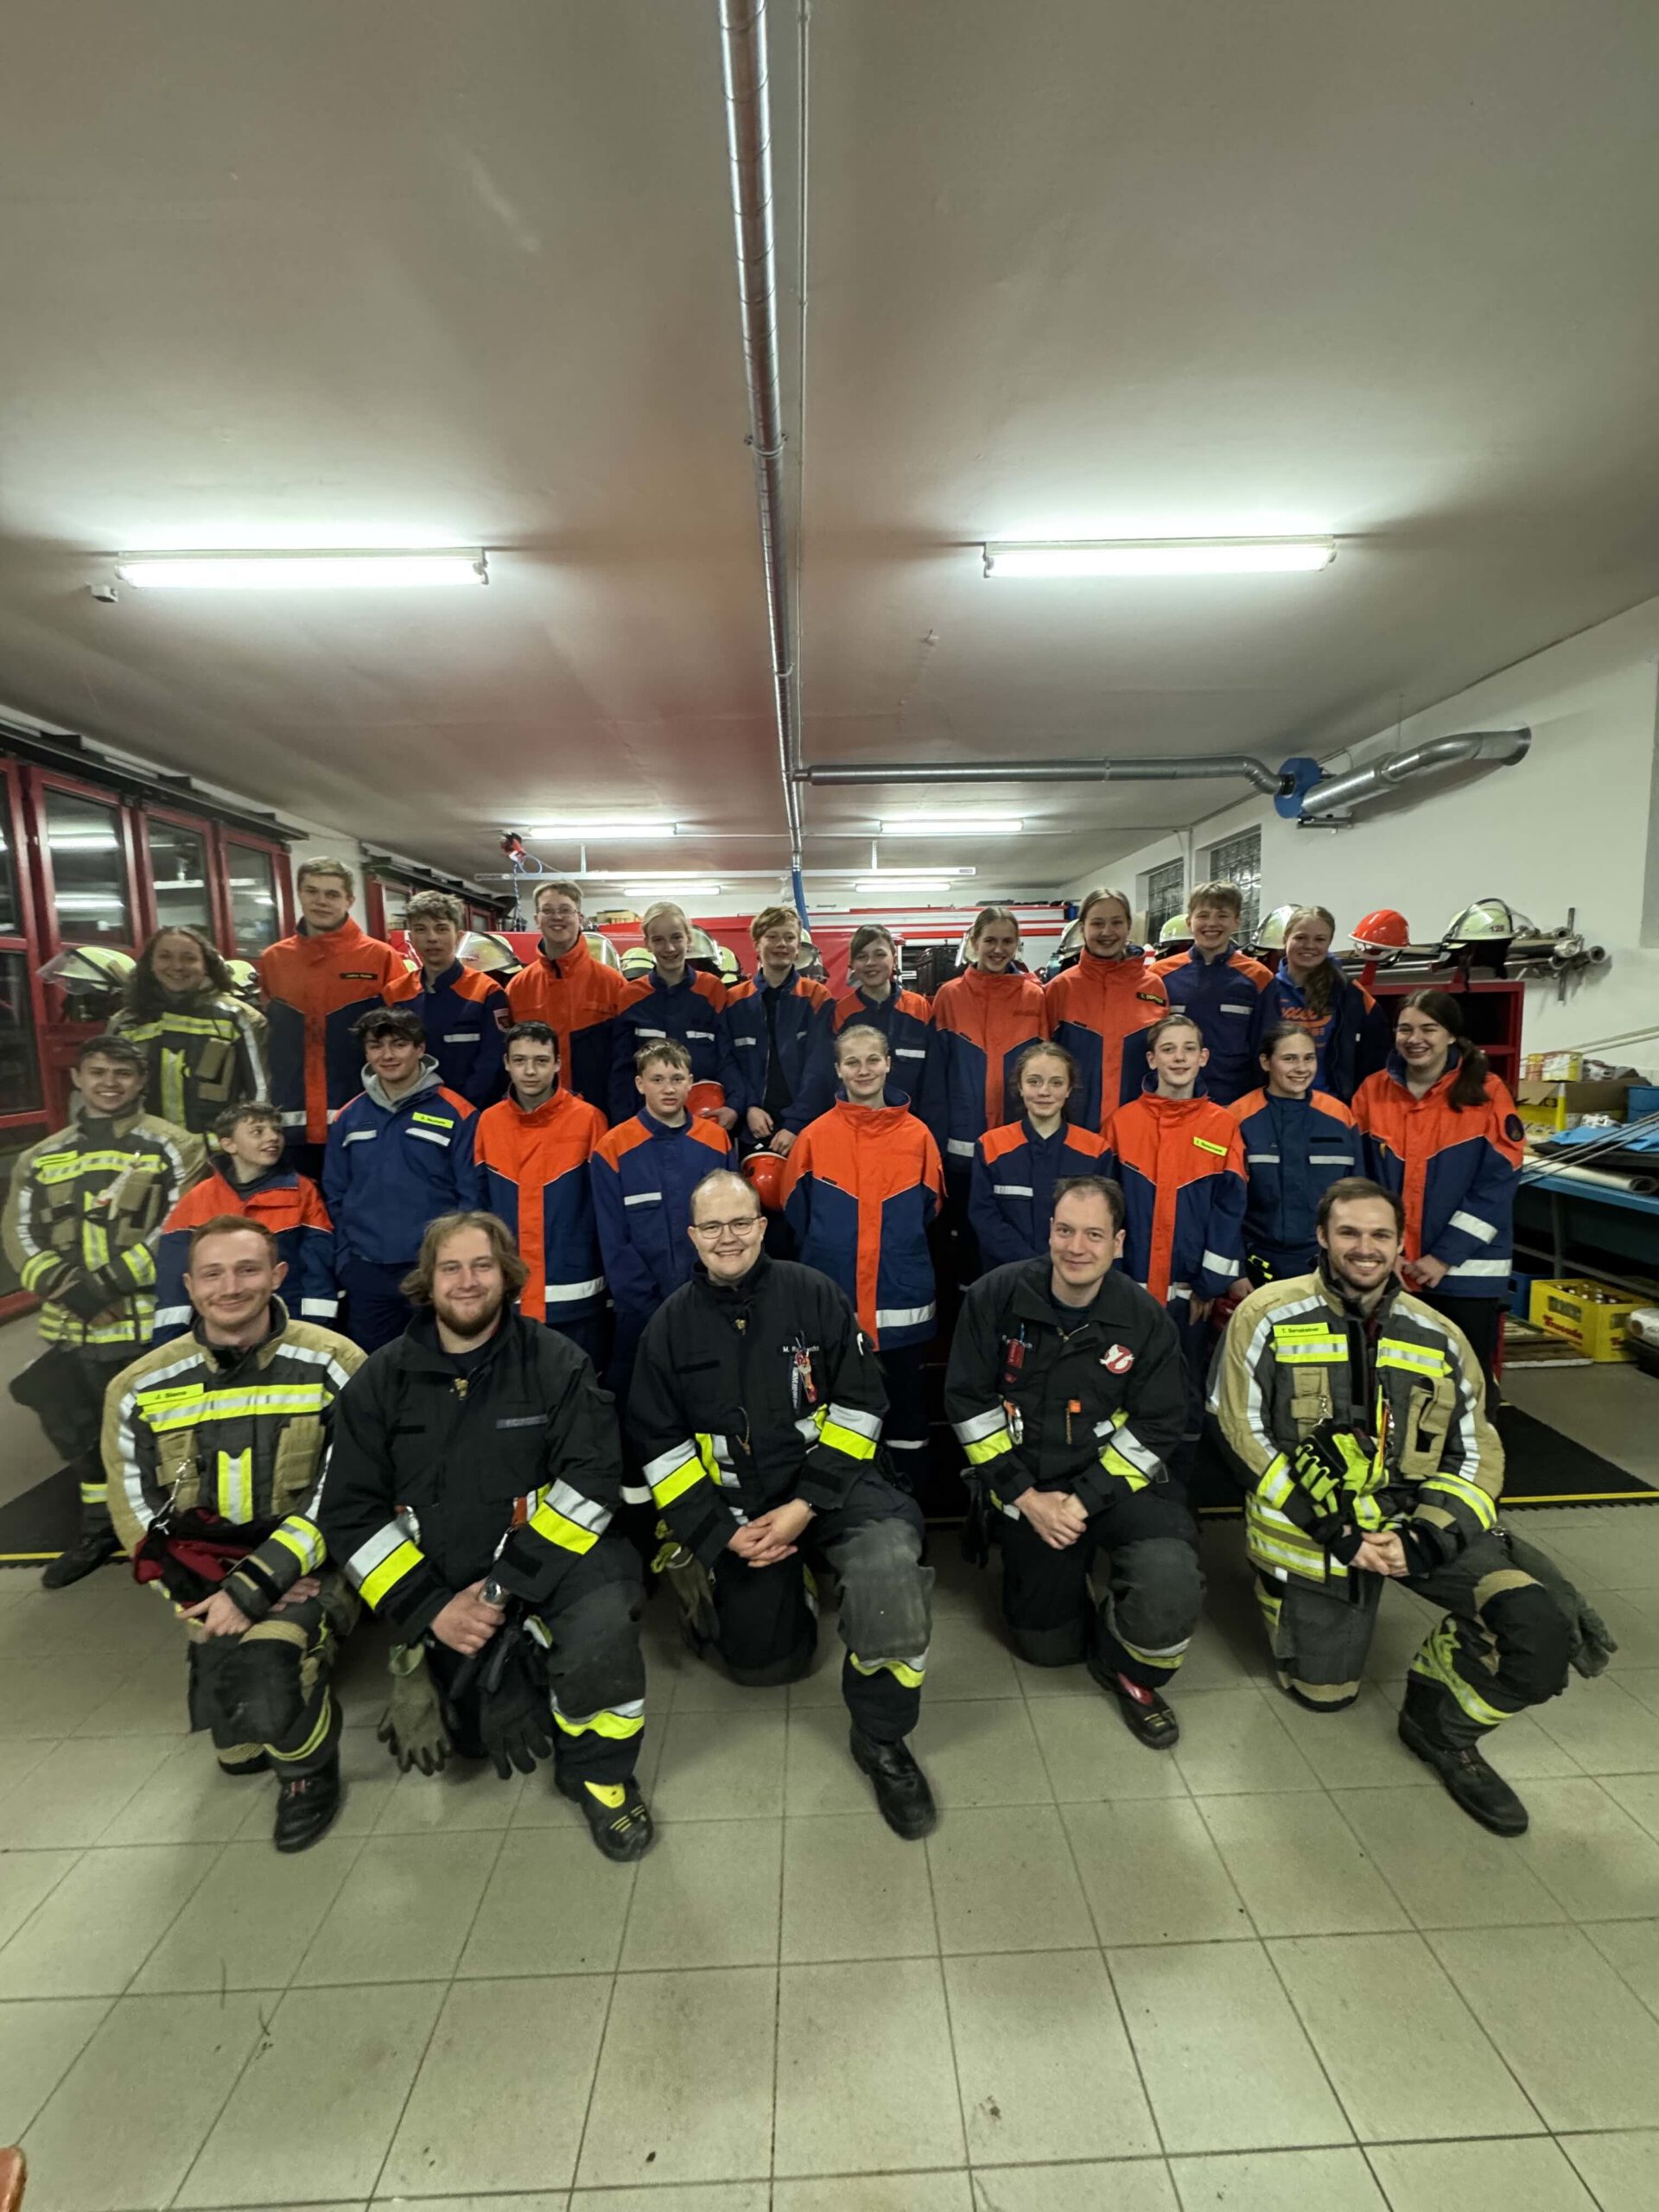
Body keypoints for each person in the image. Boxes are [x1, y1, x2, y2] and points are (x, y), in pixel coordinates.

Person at [1211, 1178, 1608, 1834]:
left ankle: (1438, 1724)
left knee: (1539, 1627)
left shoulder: (1441, 1335)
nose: (1364, 1248)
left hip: (1415, 1523)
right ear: (1321, 1236)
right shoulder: (1266, 1316)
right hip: (1315, 1538)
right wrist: (1336, 1531)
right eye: (1348, 1232)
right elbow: (1239, 1433)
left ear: (1401, 1245)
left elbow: (1477, 1452)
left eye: (1380, 1235)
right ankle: (1287, 1598)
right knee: (1323, 1695)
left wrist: (1425, 1538)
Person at [318, 1211, 654, 1861]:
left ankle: (602, 1776)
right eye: (451, 1268)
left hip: (550, 1564)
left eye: (482, 1266)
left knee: (605, 1626)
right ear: (427, 1281)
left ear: (508, 1276)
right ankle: (516, 1669)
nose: (467, 1281)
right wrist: (429, 1612)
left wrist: (502, 1592)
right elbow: (350, 1514)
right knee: (470, 1741)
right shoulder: (379, 1381)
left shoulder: (557, 1361)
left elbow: (591, 1484)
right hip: (437, 1582)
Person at [630, 1168, 937, 1838]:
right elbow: (659, 1449)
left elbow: (861, 1406)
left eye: (741, 1222)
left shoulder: (813, 1294)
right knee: (765, 1667)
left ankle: (882, 1739)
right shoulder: (668, 1328)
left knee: (890, 1576)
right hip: (737, 1514)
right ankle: (787, 1585)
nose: (728, 1238)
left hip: (832, 1491)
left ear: (763, 1227)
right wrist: (716, 1536)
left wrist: (806, 1505)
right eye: (712, 1226)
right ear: (692, 1236)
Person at [104, 1218, 363, 1850]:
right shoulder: (138, 1389)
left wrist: (262, 1583)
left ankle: (308, 1774)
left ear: (278, 1276)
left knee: (269, 1676)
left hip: (314, 1567)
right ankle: (253, 1664)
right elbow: (136, 1516)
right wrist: (216, 1594)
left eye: (248, 1270)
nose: (230, 1287)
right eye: (213, 1274)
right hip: (205, 1581)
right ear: (190, 1285)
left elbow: (347, 1493)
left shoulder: (335, 1363)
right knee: (238, 1747)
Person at [946, 1176, 1201, 1748]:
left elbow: (1159, 1424)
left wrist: (1082, 1502)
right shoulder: (995, 1296)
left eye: (1093, 1235)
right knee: (1047, 1649)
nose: (1076, 1247)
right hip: (1028, 1486)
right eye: (1065, 1231)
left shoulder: (1145, 1318)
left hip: (1115, 1485)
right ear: (1050, 1232)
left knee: (1169, 1579)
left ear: (1118, 1242)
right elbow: (968, 1404)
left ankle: (1127, 1668)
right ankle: (1060, 1582)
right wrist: (1027, 1498)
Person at [3, 1034, 205, 1586]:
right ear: (78, 1078)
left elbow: (182, 1226)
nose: (109, 1083)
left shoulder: (176, 1145)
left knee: (162, 1433)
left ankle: (176, 1533)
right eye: (98, 1072)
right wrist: (72, 1291)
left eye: (122, 1073)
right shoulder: (40, 1157)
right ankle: (101, 1528)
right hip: (71, 1326)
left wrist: (105, 1287)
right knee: (82, 1432)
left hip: (147, 1325)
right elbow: (19, 1233)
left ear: (141, 1081)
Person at [783, 1024, 944, 1481]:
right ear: (838, 1070)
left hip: (901, 1307)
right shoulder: (813, 1138)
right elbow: (797, 1213)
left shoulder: (919, 1137)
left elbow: (930, 1209)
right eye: (852, 1062)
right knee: (841, 1419)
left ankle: (909, 1500)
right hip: (838, 1309)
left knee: (907, 1417)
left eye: (873, 1059)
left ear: (889, 1063)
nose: (864, 1070)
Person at [1351, 988, 1523, 1395]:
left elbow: (1497, 1184)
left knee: (1465, 1384)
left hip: (1468, 1276)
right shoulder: (1372, 1092)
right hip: (1391, 1270)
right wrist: (1385, 1253)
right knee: (1394, 1383)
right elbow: (1359, 1182)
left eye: (1429, 1029)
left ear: (1451, 1035)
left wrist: (1444, 1256)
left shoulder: (1488, 1093)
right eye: (1405, 1029)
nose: (1415, 1039)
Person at [1103, 1013, 1247, 1427]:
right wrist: (1112, 1279)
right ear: (1152, 1059)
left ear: (1204, 1057)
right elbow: (1106, 1210)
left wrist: (1210, 1284)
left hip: (1191, 1298)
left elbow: (1230, 1209)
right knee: (1121, 1388)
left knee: (1184, 1393)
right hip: (1130, 1290)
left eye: (1188, 1049)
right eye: (1168, 1049)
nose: (1179, 1058)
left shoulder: (1224, 1126)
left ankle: (1182, 1463)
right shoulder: (1121, 1123)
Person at [322, 1007, 479, 1351]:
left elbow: (471, 1197)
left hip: (434, 1269)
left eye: (399, 1044)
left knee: (443, 1363)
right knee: (375, 1368)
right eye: (376, 1046)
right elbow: (335, 1193)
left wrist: (453, 1261)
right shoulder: (349, 1117)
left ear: (420, 1048)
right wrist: (347, 1262)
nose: (387, 1055)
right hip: (367, 1273)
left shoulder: (459, 1113)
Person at [591, 1039, 732, 1389]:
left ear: (690, 1083)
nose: (668, 1089)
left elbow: (730, 1226)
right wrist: (648, 1306)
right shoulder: (612, 1148)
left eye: (677, 1079)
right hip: (640, 1313)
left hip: (710, 1304)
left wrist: (715, 1292)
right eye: (657, 1079)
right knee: (642, 1399)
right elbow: (613, 1239)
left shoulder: (718, 1141)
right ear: (640, 1084)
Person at [257, 856, 404, 1179]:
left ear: (350, 900)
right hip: (291, 1125)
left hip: (363, 1120)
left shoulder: (380, 958)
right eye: (312, 891)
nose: (321, 901)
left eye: (332, 894)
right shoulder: (274, 960)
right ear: (298, 894)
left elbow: (403, 1040)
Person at [474, 1021, 608, 1366]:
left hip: (576, 1293)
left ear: (558, 1063)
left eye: (541, 1060)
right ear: (506, 1063)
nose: (530, 1071)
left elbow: (605, 1209)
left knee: (579, 1389)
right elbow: (477, 1207)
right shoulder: (488, 1123)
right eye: (520, 1060)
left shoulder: (589, 1120)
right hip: (510, 1296)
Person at [156, 1103, 338, 1340]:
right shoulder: (197, 1199)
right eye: (257, 1131)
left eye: (277, 1130)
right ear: (228, 1144)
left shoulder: (302, 1191)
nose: (273, 1137)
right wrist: (170, 1341)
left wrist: (315, 1331)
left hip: (286, 1325)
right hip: (216, 1330)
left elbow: (318, 1268)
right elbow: (173, 1279)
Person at [922, 904, 1048, 1196]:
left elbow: (1045, 1071)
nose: (998, 950)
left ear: (1017, 945)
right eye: (990, 940)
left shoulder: (1035, 997)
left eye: (1007, 941)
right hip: (961, 1143)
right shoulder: (950, 996)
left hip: (1018, 1138)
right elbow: (935, 1079)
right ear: (975, 941)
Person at [1229, 1023, 1363, 1285]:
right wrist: (1236, 1272)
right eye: (1289, 1059)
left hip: (1326, 1264)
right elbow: (1224, 1203)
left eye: (1309, 1058)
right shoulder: (1237, 1117)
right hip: (1256, 1262)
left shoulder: (1339, 1116)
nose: (1301, 1068)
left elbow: (1358, 1197)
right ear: (1266, 1062)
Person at [111, 925, 270, 1133]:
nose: (177, 966)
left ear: (207, 965)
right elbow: (110, 1091)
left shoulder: (239, 1018)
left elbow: (261, 1094)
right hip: (144, 1147)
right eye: (165, 957)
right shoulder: (125, 1022)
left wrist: (245, 1143)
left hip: (219, 1147)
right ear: (150, 964)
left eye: (189, 958)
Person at [969, 1040, 1111, 1270]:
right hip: (1006, 1277)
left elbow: (1100, 1221)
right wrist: (1033, 1267)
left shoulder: (1096, 1150)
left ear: (1069, 1089)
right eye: (1034, 1082)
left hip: (1072, 1274)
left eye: (1056, 1083)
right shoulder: (990, 1145)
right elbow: (984, 1217)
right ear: (1020, 1087)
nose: (1044, 1092)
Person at [1044, 886, 1168, 1131]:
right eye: (1097, 923)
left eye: (1116, 922)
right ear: (1083, 928)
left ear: (1128, 926)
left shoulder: (1154, 987)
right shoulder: (1061, 988)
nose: (1107, 932)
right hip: (1073, 1129)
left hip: (1138, 1128)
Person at [503, 878, 629, 1118]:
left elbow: (625, 1059)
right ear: (537, 919)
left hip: (599, 1113)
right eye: (548, 910)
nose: (557, 917)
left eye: (565, 910)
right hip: (535, 1114)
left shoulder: (613, 984)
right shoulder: (518, 987)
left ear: (579, 918)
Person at [608, 901, 741, 1128]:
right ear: (647, 944)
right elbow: (621, 1068)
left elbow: (726, 1056)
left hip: (705, 1117)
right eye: (658, 940)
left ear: (689, 939)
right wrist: (624, 1123)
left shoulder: (712, 989)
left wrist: (735, 1105)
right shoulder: (631, 995)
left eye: (676, 937)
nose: (669, 948)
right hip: (646, 1120)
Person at [725, 904, 835, 1157]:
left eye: (789, 937)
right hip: (751, 1126)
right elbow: (727, 1061)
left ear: (798, 947)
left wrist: (796, 1123)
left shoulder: (817, 997)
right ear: (757, 944)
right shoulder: (734, 1001)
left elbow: (820, 1069)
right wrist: (749, 1106)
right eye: (772, 936)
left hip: (806, 1125)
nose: (781, 944)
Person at [1152, 880, 1272, 1107]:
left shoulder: (1258, 977)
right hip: (1172, 1100)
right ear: (1189, 922)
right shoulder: (1159, 975)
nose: (1212, 923)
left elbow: (1265, 1046)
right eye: (1203, 915)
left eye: (1222, 916)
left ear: (1237, 921)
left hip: (1235, 1101)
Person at [1249, 904, 1385, 1103]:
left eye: (1319, 939)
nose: (1309, 946)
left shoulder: (1349, 993)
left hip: (1332, 1104)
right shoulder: (1265, 991)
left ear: (1329, 943)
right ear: (1286, 939)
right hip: (1272, 1103)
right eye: (1301, 938)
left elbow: (1378, 1050)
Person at [385, 889, 508, 1108]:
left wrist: (456, 1111)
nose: (432, 938)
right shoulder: (395, 994)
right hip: (409, 1111)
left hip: (471, 1113)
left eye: (441, 928)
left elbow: (492, 1064)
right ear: (410, 937)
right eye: (421, 929)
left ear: (458, 936)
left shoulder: (487, 992)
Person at [803, 923, 931, 1117]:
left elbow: (933, 1077)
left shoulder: (918, 1008)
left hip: (910, 1123)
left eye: (879, 954)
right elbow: (826, 1076)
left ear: (894, 958)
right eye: (862, 956)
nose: (871, 962)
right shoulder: (840, 1013)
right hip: (854, 1122)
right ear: (852, 964)